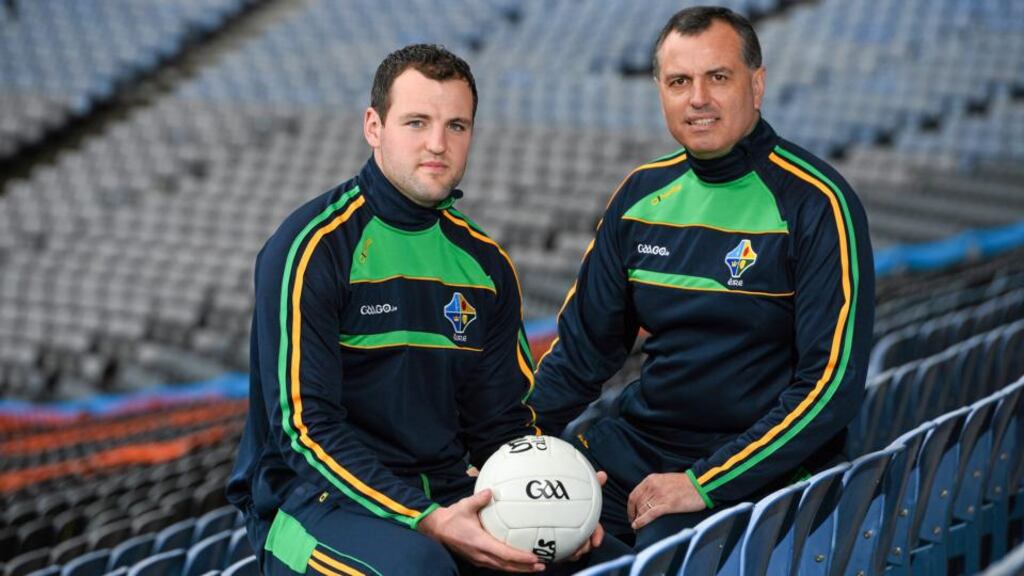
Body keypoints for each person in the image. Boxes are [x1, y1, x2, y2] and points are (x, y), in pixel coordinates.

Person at [226, 44, 603, 575]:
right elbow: (304, 431)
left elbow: (501, 424)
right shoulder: (311, 248)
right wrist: (423, 517)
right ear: (373, 126)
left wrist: (561, 499)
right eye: (417, 122)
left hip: (446, 492)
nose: (437, 144)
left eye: (457, 126)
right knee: (422, 568)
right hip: (314, 504)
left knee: (598, 559)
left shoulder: (486, 264)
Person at [531, 6, 875, 551]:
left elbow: (830, 386)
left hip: (758, 471)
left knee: (660, 552)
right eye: (679, 81)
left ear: (756, 85)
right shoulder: (640, 196)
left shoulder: (818, 203)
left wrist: (704, 484)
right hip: (636, 452)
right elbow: (580, 356)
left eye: (718, 77)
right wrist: (510, 442)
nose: (698, 99)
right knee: (510, 532)